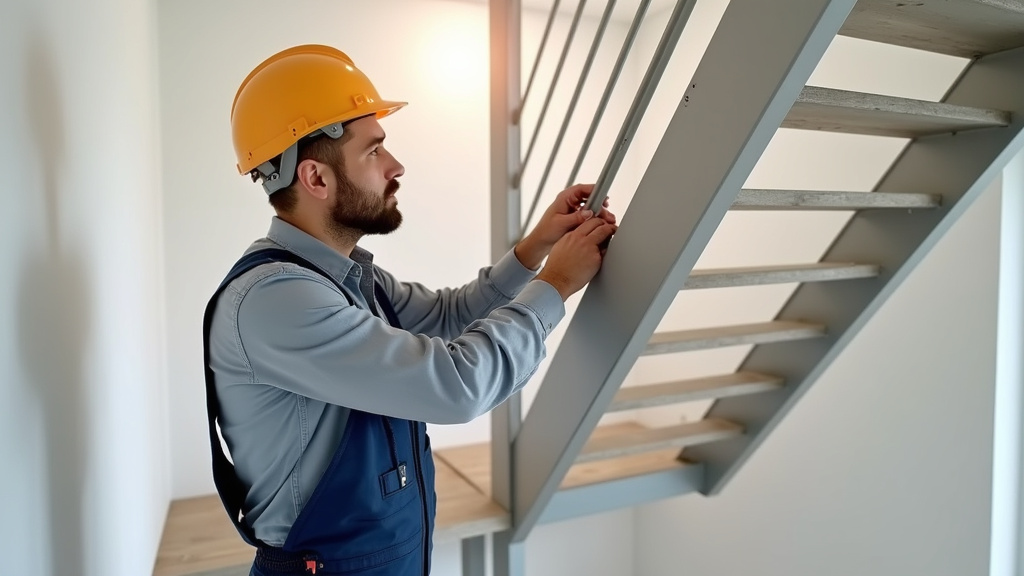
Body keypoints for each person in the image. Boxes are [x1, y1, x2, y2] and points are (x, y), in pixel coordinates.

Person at [203, 44, 617, 576]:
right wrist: (557, 284)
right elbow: (455, 385)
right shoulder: (276, 300)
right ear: (316, 179)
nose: (395, 166)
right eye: (374, 151)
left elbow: (448, 316)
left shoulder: (348, 278)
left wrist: (533, 250)